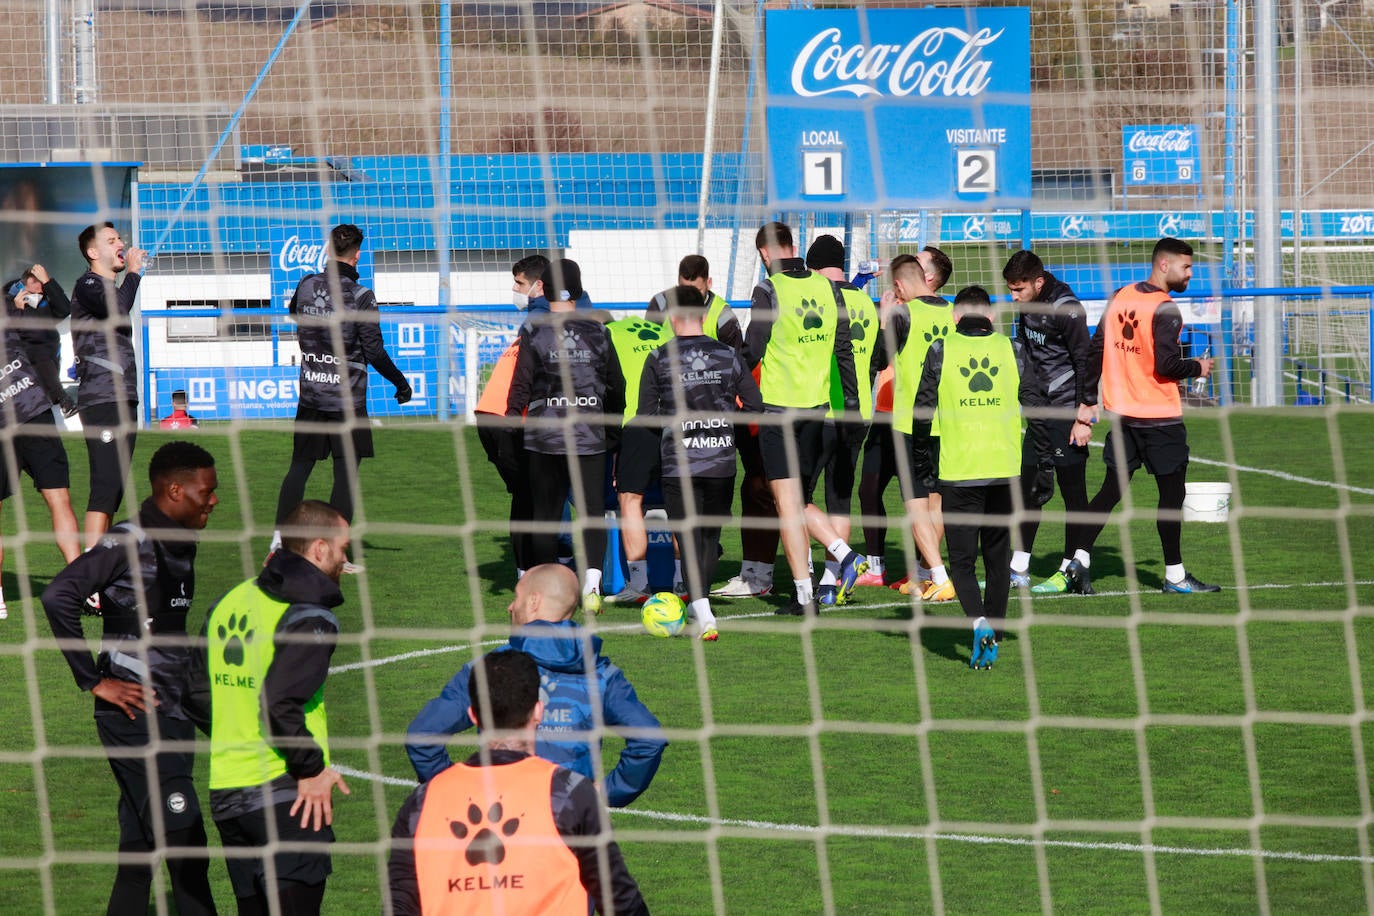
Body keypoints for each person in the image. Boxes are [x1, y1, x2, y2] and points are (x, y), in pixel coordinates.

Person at [40, 441, 220, 915]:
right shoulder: (129, 539)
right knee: (187, 847)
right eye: (208, 491)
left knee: (139, 850)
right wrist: (93, 680)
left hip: (171, 714)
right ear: (175, 490)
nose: (215, 500)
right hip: (135, 716)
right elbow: (59, 596)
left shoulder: (179, 540)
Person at [187, 499, 353, 915]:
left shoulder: (230, 600)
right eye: (342, 548)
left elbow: (192, 691)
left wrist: (238, 730)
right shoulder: (310, 618)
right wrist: (311, 768)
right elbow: (279, 703)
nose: (345, 559)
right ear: (318, 549)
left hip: (228, 793)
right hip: (286, 795)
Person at [392, 649, 649, 915]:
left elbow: (401, 903)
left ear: (472, 715)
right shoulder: (570, 794)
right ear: (538, 711)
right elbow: (620, 899)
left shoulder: (422, 804)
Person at [406, 562, 666, 803]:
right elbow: (649, 739)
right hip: (572, 826)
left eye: (516, 597)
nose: (510, 606)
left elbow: (423, 735)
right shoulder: (602, 674)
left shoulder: (489, 668)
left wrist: (460, 795)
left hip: (501, 822)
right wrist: (606, 794)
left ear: (533, 602)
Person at [1066, 237, 1220, 596]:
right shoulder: (1165, 308)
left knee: (1109, 492)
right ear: (1163, 265)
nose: (1190, 274)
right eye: (1186, 267)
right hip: (1159, 418)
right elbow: (1165, 364)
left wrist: (1089, 400)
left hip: (1122, 414)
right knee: (1171, 496)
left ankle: (1079, 559)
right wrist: (1198, 365)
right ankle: (1176, 576)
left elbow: (1097, 349)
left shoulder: (1121, 295)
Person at [912, 286, 1054, 669]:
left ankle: (977, 624)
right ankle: (996, 629)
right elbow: (1037, 409)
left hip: (959, 472)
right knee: (997, 556)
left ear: (955, 318)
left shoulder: (942, 350)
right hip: (1005, 471)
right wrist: (1045, 463)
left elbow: (922, 410)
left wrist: (921, 460)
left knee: (961, 562)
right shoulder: (1014, 350)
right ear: (991, 317)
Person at [269, 224, 412, 568]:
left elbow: (294, 312)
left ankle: (278, 542)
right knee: (345, 475)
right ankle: (334, 555)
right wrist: (400, 382)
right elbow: (374, 351)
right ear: (357, 254)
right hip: (347, 402)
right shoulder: (361, 296)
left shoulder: (306, 284)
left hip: (311, 396)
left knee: (299, 469)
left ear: (327, 250)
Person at [743, 221, 867, 616]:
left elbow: (752, 349)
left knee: (788, 503)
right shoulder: (827, 288)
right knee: (798, 500)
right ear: (792, 245)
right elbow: (844, 351)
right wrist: (849, 406)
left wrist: (733, 383)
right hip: (817, 409)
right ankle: (828, 570)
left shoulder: (768, 288)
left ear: (765, 253)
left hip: (779, 410)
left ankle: (821, 579)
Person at [638, 285, 763, 638]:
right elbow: (755, 406)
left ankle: (703, 609)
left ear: (672, 317)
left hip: (679, 461)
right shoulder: (728, 354)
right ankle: (700, 604)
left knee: (688, 536)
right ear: (705, 317)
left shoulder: (659, 357)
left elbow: (645, 415)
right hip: (720, 460)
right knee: (708, 536)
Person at [506, 259, 625, 613]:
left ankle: (547, 589)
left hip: (545, 436)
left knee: (545, 512)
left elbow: (521, 385)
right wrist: (612, 429)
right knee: (590, 512)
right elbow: (617, 386)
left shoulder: (534, 329)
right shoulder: (599, 331)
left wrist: (513, 425)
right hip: (588, 434)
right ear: (577, 289)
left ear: (544, 288)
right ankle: (592, 585)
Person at [1001, 250, 1094, 594]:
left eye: (1019, 289)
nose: (1014, 297)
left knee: (1073, 494)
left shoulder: (1066, 308)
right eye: (1011, 290)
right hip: (1039, 411)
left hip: (1067, 411)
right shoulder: (1027, 308)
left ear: (1038, 282)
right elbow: (1026, 353)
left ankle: (1070, 568)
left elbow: (1086, 360)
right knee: (1030, 489)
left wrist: (1084, 413)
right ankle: (1019, 568)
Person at [804, 235, 879, 606]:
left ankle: (823, 570)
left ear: (814, 268)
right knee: (840, 497)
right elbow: (877, 359)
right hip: (860, 413)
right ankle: (831, 585)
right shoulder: (866, 300)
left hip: (824, 408)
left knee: (797, 496)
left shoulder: (818, 298)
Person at [885, 250, 958, 602]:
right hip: (947, 421)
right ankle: (928, 573)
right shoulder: (952, 312)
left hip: (911, 422)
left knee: (915, 504)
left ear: (899, 285)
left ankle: (940, 577)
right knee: (935, 502)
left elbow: (877, 359)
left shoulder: (902, 312)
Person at [0, 309, 82, 619]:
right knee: (58, 499)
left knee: (57, 500)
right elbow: (52, 324)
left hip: (18, 417)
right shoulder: (10, 311)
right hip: (33, 410)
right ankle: (80, 586)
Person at [70, 222, 146, 548]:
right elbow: (118, 308)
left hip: (124, 397)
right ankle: (90, 570)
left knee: (115, 488)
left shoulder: (110, 289)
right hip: (101, 399)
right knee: (104, 484)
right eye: (111, 240)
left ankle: (101, 566)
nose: (121, 243)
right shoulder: (88, 283)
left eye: (120, 238)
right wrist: (133, 272)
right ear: (92, 252)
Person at [604, 292, 675, 604]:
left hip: (636, 420)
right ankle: (683, 581)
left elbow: (606, 384)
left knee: (630, 499)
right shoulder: (669, 331)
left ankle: (639, 583)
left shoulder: (610, 334)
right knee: (680, 500)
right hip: (676, 423)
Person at [854, 253, 918, 588]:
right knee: (869, 490)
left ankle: (923, 567)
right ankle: (876, 567)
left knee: (918, 497)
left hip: (911, 420)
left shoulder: (920, 314)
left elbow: (880, 359)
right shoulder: (894, 311)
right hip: (883, 415)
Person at [5, 262, 75, 415]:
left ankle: (61, 399)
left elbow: (65, 310)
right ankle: (63, 398)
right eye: (34, 281)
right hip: (24, 363)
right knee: (36, 349)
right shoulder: (10, 303)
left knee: (44, 405)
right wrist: (19, 310)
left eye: (40, 281)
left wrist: (48, 282)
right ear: (23, 285)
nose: (39, 285)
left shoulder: (45, 301)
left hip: (50, 359)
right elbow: (24, 334)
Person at [644, 253, 744, 349]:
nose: (690, 296)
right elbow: (646, 346)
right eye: (684, 289)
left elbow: (736, 359)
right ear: (678, 282)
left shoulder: (724, 316)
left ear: (709, 283)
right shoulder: (660, 303)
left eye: (696, 290)